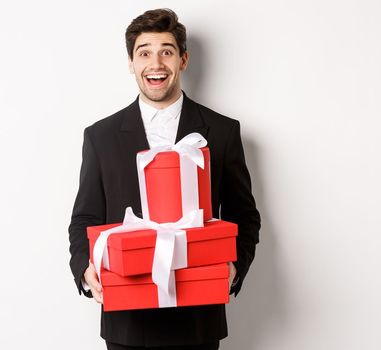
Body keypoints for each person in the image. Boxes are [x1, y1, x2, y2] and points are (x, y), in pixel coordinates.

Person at [67, 8, 261, 350]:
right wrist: (85, 267)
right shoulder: (100, 136)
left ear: (183, 60)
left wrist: (233, 267)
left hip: (198, 320)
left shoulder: (222, 132)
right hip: (127, 322)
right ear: (130, 62)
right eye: (144, 53)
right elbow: (84, 217)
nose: (156, 64)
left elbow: (244, 216)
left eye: (166, 52)